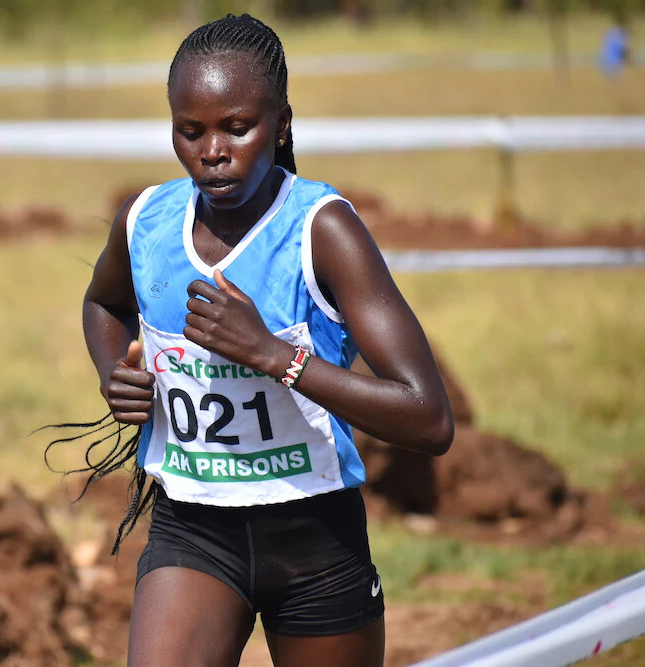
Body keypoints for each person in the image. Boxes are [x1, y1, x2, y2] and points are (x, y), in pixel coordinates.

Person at [77, 14, 453, 667]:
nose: (212, 150)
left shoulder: (321, 230)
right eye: (190, 131)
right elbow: (104, 303)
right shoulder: (146, 221)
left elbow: (429, 417)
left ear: (280, 124)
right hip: (192, 527)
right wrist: (117, 373)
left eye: (237, 127)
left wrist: (273, 355)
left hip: (315, 539)